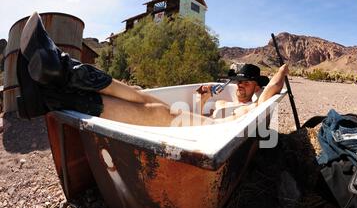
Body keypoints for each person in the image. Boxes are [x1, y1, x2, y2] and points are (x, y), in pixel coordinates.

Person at [17, 12, 288, 127]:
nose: (239, 86)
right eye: (237, 82)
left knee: (158, 111)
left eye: (245, 83)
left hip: (216, 133)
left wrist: (284, 69)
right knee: (138, 93)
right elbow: (194, 116)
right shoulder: (220, 102)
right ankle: (62, 76)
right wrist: (203, 100)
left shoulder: (251, 109)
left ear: (256, 87)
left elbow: (274, 88)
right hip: (197, 126)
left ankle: (55, 89)